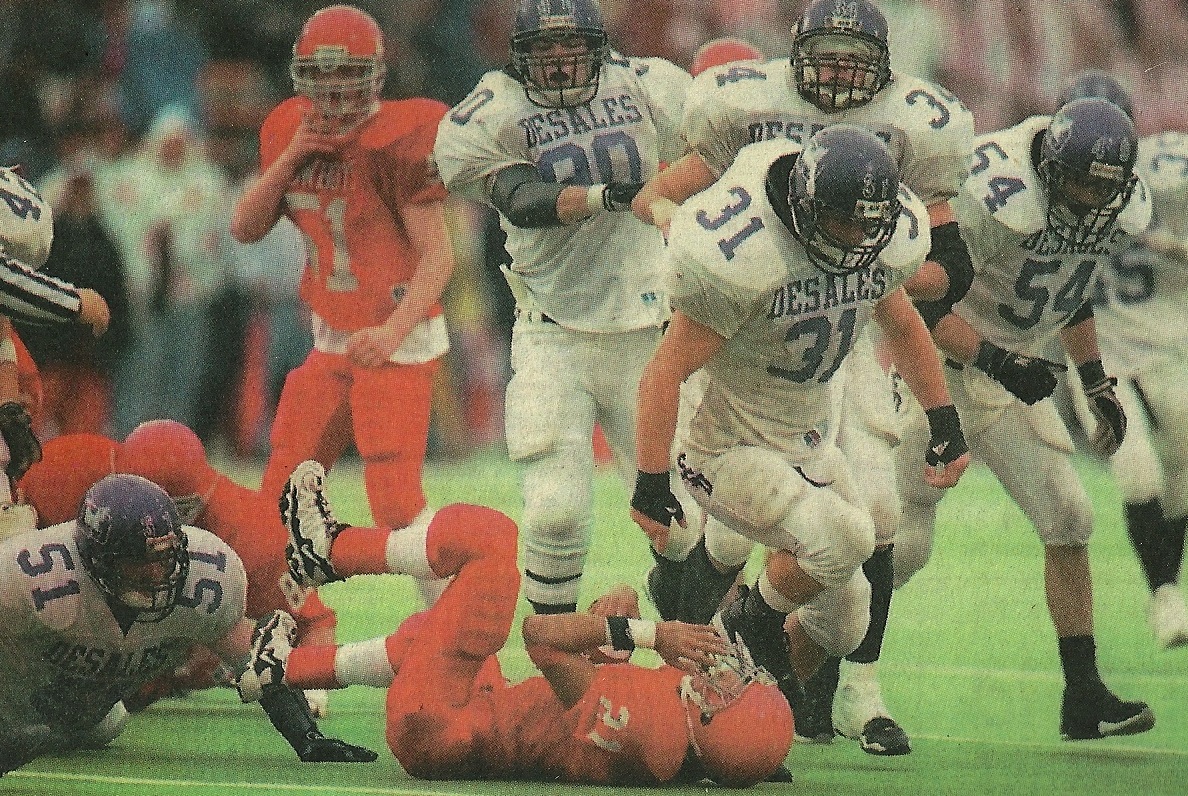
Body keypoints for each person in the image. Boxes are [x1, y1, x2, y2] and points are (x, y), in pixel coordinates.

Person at [630, 0, 976, 755]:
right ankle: (719, 651)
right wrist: (650, 482)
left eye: (869, 228)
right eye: (844, 226)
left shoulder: (869, 235)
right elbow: (662, 373)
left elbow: (905, 321)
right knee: (845, 535)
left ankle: (752, 697)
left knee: (846, 616)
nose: (858, 242)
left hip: (807, 435)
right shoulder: (743, 252)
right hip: (726, 443)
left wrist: (943, 418)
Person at [237, 459, 794, 787]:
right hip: (474, 715)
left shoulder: (653, 723)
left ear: (715, 726)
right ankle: (282, 668)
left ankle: (331, 549)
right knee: (429, 635)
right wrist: (611, 649)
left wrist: (642, 635)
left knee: (491, 546)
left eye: (732, 696)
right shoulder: (675, 743)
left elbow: (542, 640)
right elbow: (575, 710)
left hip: (438, 726)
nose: (728, 681)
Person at [892, 96, 1156, 740]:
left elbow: (1069, 293)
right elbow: (912, 304)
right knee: (901, 546)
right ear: (1047, 163)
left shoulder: (1102, 207)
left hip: (1010, 376)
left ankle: (1083, 694)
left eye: (1104, 187)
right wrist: (1002, 362)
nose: (1091, 200)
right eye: (1079, 182)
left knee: (1069, 516)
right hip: (935, 370)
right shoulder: (989, 192)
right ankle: (809, 657)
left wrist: (1096, 382)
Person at [432, 0, 690, 615]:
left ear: (600, 47)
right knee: (555, 512)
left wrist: (677, 194)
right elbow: (522, 199)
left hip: (645, 332)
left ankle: (695, 655)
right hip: (553, 337)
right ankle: (558, 657)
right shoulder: (494, 109)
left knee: (683, 521)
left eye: (569, 47)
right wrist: (617, 195)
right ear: (518, 58)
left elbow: (710, 154)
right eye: (542, 52)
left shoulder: (650, 86)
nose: (557, 63)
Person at [230, 4, 457, 609]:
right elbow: (244, 226)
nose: (332, 89)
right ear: (299, 75)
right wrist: (294, 157)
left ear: (375, 76)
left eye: (347, 74)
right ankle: (287, 627)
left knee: (395, 499)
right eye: (320, 75)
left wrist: (392, 329)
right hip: (331, 336)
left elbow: (439, 258)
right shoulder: (285, 129)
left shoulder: (397, 139)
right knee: (281, 488)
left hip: (397, 344)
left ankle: (460, 638)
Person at [0, 472, 373, 775]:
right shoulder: (29, 579)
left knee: (105, 726)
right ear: (96, 558)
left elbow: (254, 658)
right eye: (139, 563)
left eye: (165, 559)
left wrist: (304, 733)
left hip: (93, 712)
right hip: (14, 701)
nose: (157, 574)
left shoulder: (206, 574)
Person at [14, 420, 340, 713]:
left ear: (199, 500)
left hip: (162, 660)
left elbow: (314, 622)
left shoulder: (251, 534)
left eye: (172, 510)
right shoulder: (61, 471)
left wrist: (309, 690)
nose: (149, 523)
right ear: (109, 475)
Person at [1059, 70, 1188, 649]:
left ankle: (1168, 585)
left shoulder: (1167, 176)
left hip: (1167, 345)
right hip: (1098, 352)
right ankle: (1163, 594)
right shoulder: (1044, 192)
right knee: (1137, 468)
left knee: (1182, 475)